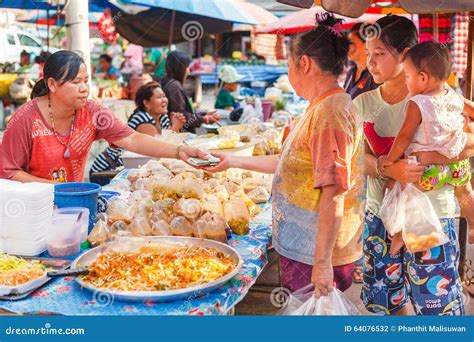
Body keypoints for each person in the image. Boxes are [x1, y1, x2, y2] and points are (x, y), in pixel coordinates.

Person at [206, 13, 365, 298]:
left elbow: (334, 193)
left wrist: (322, 264)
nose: (288, 72)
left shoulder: (330, 114)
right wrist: (233, 161)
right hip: (306, 245)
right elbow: (287, 162)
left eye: (289, 64)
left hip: (315, 251)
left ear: (304, 63)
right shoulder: (320, 107)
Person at [354, 15, 465, 316]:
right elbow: (354, 159)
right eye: (368, 55)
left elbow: (468, 143)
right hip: (381, 214)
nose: (371, 63)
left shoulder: (437, 98)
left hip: (431, 216)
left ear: (404, 55)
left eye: (379, 54)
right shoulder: (362, 104)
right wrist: (391, 169)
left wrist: (426, 158)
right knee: (389, 301)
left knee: (436, 305)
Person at [0, 50, 210, 184]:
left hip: (73, 204)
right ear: (52, 84)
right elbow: (7, 171)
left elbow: (132, 139)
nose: (84, 89)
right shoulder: (26, 118)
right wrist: (54, 189)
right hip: (33, 209)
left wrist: (179, 151)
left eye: (86, 81)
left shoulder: (92, 111)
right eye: (75, 82)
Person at [380, 42, 474, 254]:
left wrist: (390, 160)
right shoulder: (453, 96)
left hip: (428, 170)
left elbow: (404, 136)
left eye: (407, 76)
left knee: (400, 191)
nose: (406, 81)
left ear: (422, 78)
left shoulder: (419, 103)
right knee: (466, 190)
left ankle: (400, 236)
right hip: (458, 165)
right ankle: (473, 224)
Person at [90, 81, 186, 175]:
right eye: (159, 97)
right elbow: (156, 150)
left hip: (130, 167)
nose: (164, 100)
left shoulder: (162, 117)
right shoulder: (141, 119)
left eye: (164, 96)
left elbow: (170, 142)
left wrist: (176, 128)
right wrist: (175, 127)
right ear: (146, 103)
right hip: (105, 170)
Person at [161, 51, 220, 133]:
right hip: (180, 134)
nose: (188, 71)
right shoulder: (175, 86)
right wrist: (204, 119)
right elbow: (182, 115)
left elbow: (186, 110)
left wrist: (203, 113)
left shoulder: (166, 81)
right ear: (179, 68)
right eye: (186, 68)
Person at [344, 23, 378, 99]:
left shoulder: (375, 73)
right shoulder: (351, 73)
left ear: (367, 43)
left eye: (352, 42)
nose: (349, 47)